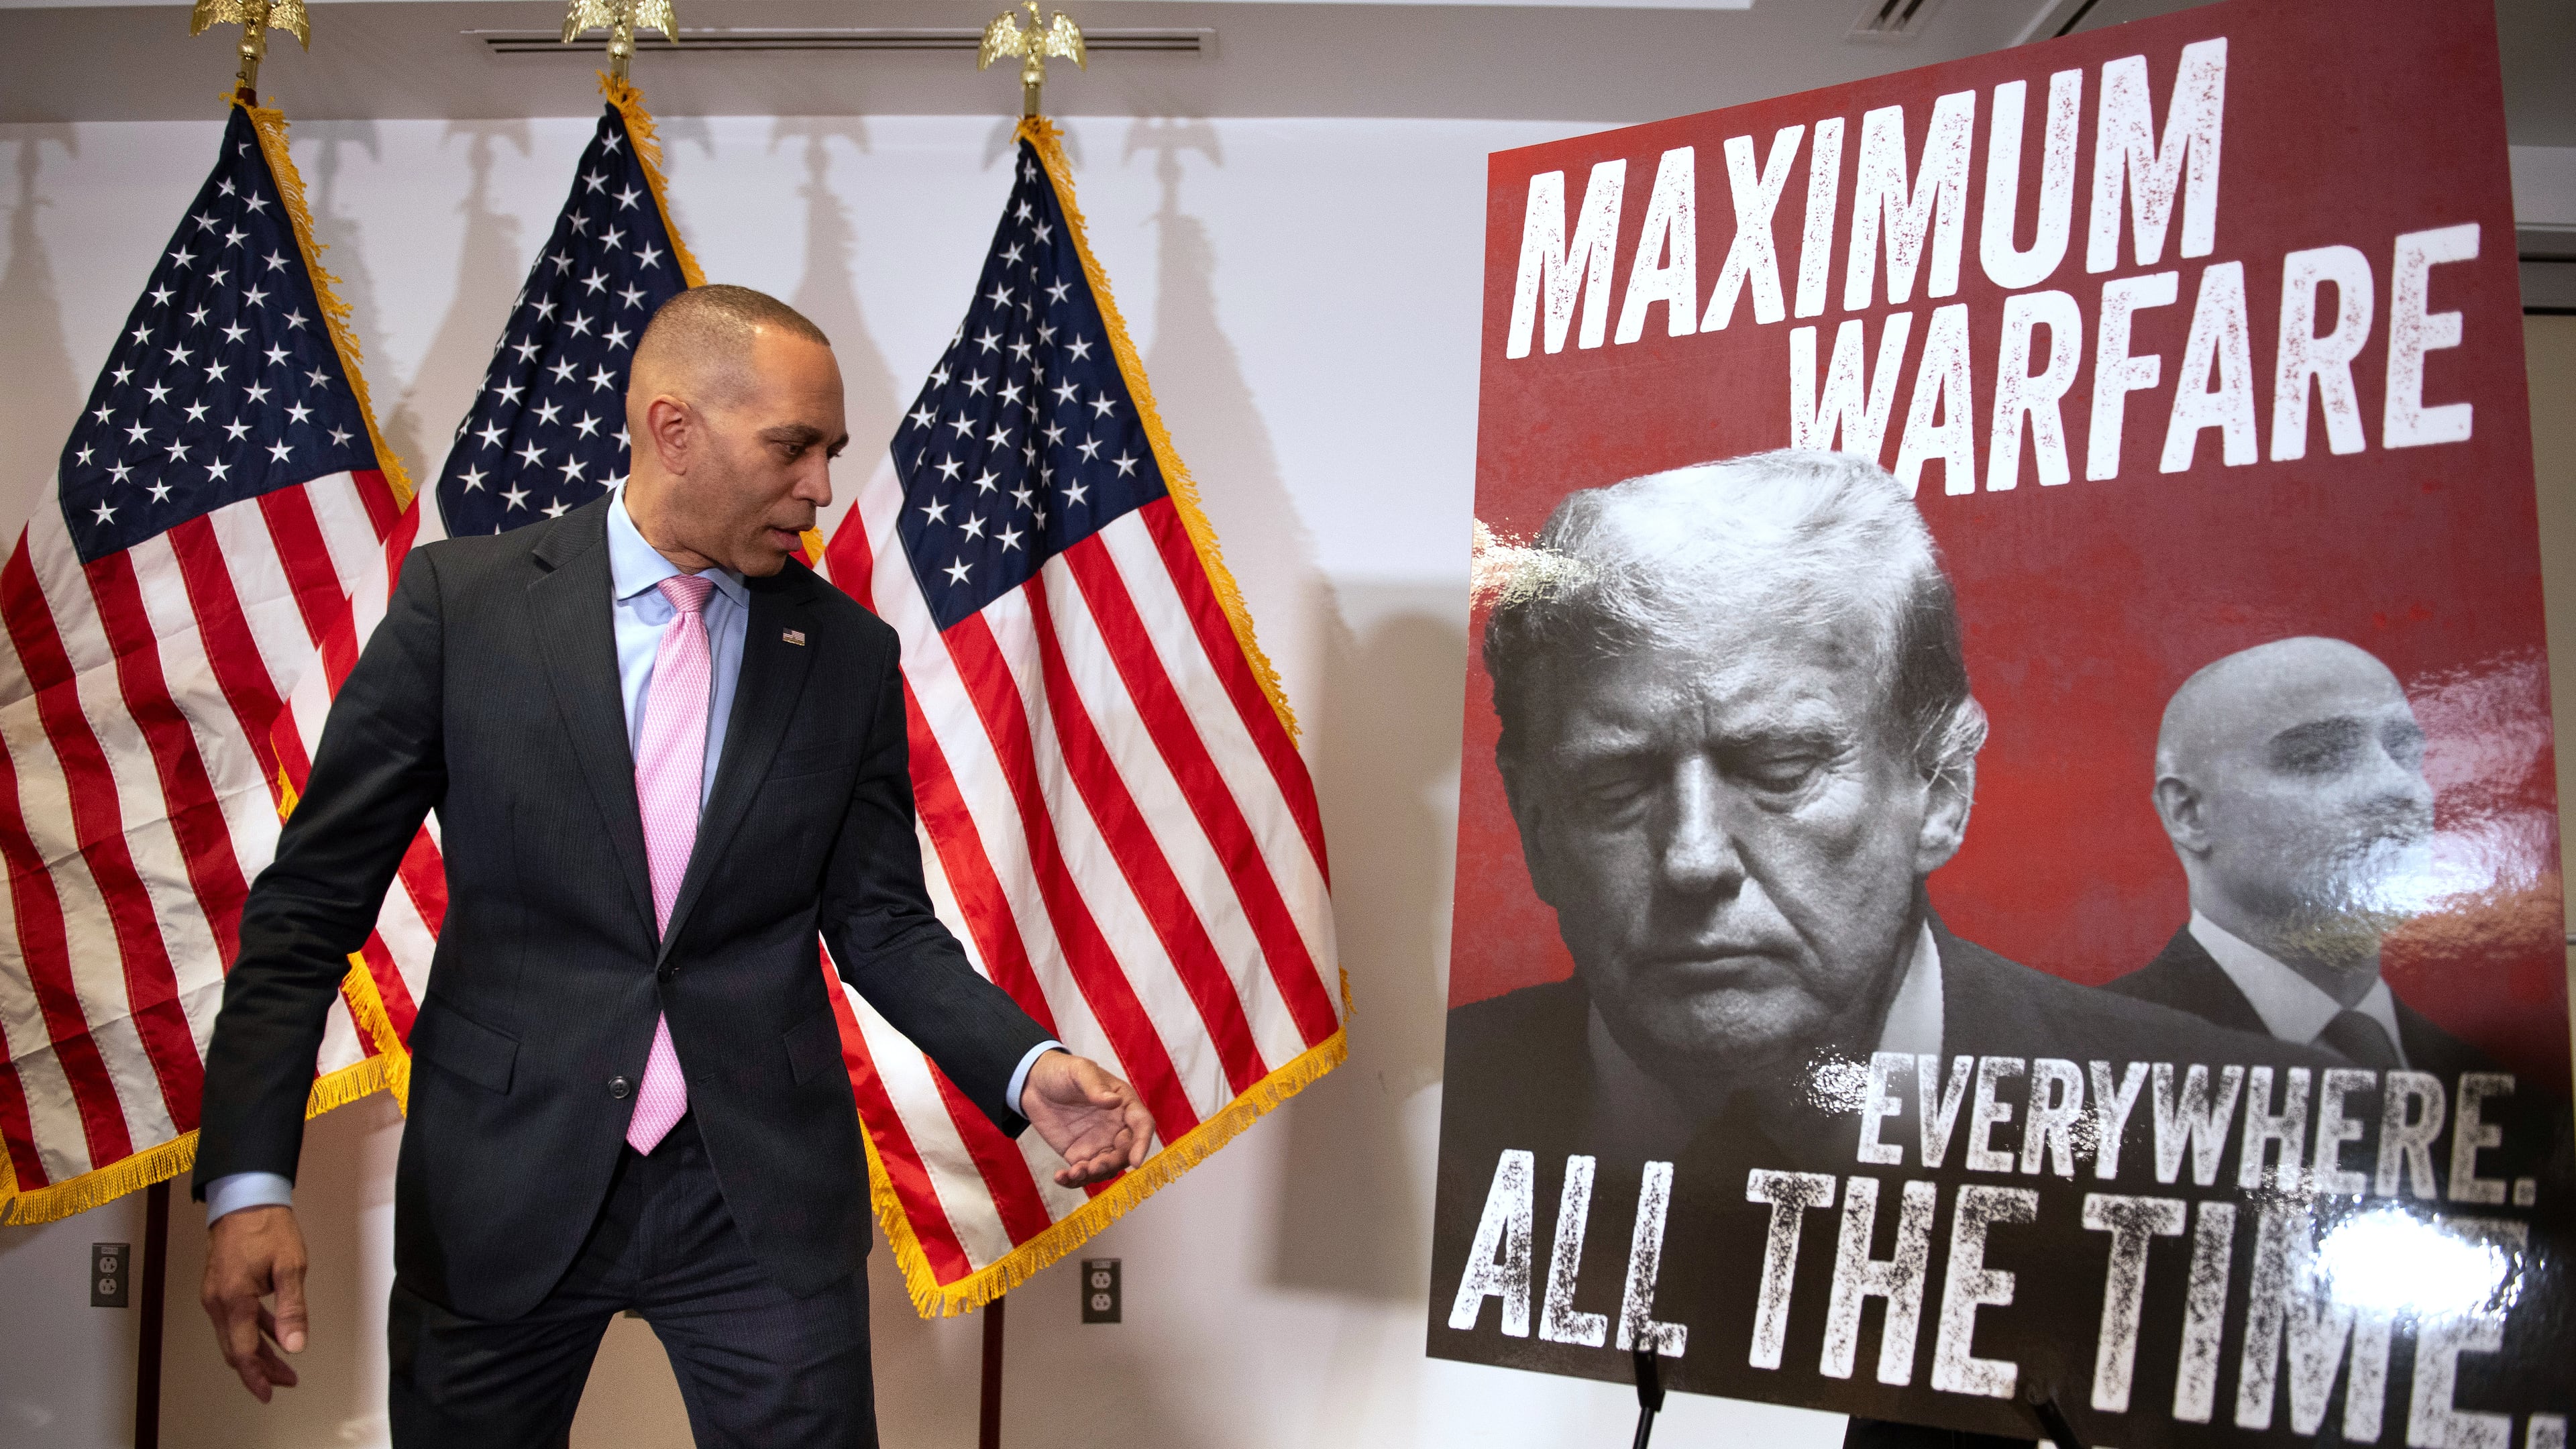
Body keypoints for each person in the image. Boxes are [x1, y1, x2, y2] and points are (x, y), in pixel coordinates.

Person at [191, 284, 1153, 1447]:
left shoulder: (846, 654)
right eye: (794, 447)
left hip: (756, 1198)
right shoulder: (465, 608)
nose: (822, 487)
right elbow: (307, 908)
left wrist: (1025, 1066)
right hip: (504, 1179)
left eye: (832, 451)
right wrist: (250, 1184)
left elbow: (883, 925)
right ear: (674, 430)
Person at [1432, 449, 2324, 1444]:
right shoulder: (1416, 1131)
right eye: (1613, 785)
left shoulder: (2258, 1153)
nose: (1693, 858)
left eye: (1779, 766)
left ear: (1940, 789)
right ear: (1535, 825)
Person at [2107, 636, 2491, 1081]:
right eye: (2319, 757)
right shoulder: (2095, 1052)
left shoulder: (2500, 1094)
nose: (2399, 788)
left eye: (2404, 753)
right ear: (2188, 813)